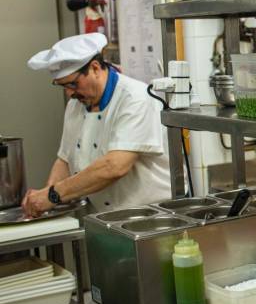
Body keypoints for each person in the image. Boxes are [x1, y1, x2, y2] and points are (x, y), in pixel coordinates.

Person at [23, 33, 171, 216]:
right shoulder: (75, 105)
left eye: (73, 84)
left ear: (94, 68)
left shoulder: (135, 98)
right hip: (105, 218)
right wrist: (45, 196)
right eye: (63, 86)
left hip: (152, 216)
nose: (69, 94)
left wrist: (54, 195)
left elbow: (115, 166)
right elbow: (65, 160)